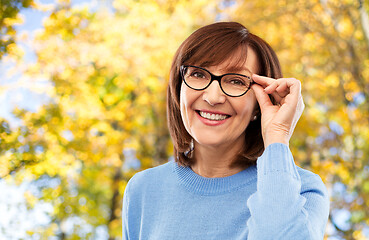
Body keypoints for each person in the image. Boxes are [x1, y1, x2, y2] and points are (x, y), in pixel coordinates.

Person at [122, 22, 329, 239]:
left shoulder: (303, 192)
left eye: (236, 81)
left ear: (260, 104)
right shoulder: (143, 190)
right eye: (199, 74)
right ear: (178, 88)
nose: (213, 98)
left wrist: (277, 135)